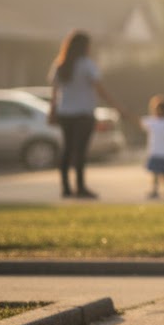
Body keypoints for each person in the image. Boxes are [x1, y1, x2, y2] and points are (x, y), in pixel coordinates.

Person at [48, 30, 128, 199]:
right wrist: (117, 107)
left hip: (65, 113)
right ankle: (81, 188)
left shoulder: (60, 65)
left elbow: (54, 93)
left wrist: (52, 111)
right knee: (80, 151)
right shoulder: (87, 64)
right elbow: (100, 89)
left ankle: (66, 188)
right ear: (84, 46)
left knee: (67, 149)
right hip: (83, 113)